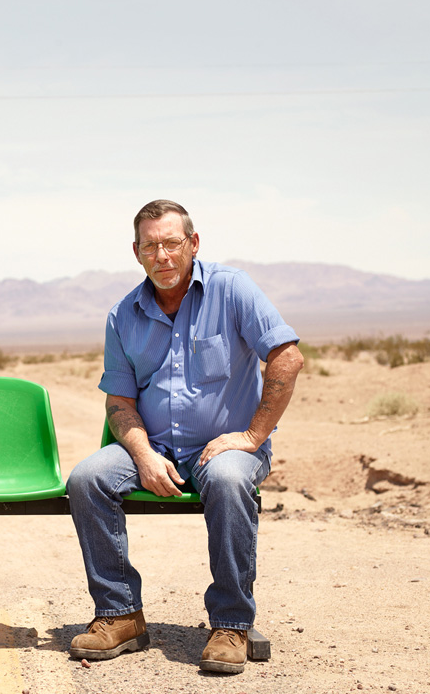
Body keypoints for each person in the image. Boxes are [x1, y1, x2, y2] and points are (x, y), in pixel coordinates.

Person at [66, 199, 304, 674]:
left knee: (231, 479)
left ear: (192, 244)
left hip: (224, 448)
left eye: (172, 243)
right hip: (153, 448)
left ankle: (232, 624)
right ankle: (119, 615)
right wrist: (144, 454)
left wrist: (253, 436)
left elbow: (287, 356)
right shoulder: (122, 315)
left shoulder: (232, 289)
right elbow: (120, 403)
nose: (163, 255)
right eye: (151, 246)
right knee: (86, 478)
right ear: (136, 252)